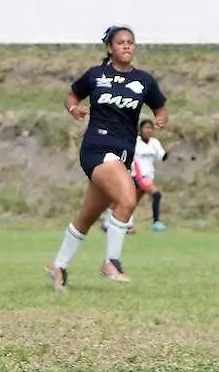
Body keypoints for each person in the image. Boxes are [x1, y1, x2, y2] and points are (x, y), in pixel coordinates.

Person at [45, 25, 169, 290]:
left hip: (122, 154)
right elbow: (72, 95)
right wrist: (73, 108)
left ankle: (58, 265)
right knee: (127, 198)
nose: (126, 46)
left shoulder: (144, 80)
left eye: (131, 42)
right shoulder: (96, 75)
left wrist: (160, 119)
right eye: (121, 42)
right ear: (110, 48)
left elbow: (160, 108)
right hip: (97, 150)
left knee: (87, 218)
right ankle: (111, 261)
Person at [132, 119, 170, 231]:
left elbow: (162, 157)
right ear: (141, 129)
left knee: (131, 202)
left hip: (149, 177)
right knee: (156, 194)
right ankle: (156, 223)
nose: (148, 130)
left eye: (150, 128)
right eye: (146, 128)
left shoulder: (154, 142)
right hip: (138, 176)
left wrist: (169, 151)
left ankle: (117, 223)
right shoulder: (135, 142)